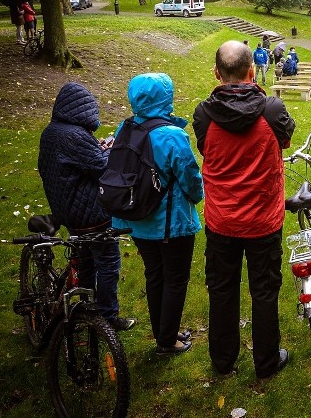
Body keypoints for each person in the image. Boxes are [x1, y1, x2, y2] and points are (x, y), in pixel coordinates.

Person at [193, 40, 296, 380]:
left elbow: (207, 150)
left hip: (222, 220)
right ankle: (265, 362)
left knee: (222, 290)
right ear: (252, 70)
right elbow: (286, 140)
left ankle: (223, 360)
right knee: (264, 291)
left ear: (216, 73)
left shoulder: (204, 114)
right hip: (263, 221)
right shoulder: (272, 110)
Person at [112, 73, 203, 355]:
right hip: (170, 223)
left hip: (137, 219)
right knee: (174, 278)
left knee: (155, 274)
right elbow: (189, 177)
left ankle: (165, 330)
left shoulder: (124, 129)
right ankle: (167, 340)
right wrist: (198, 195)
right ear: (166, 97)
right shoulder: (172, 136)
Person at [38, 82, 135, 332]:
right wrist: (110, 149)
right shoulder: (75, 136)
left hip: (67, 211)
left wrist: (98, 149)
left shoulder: (52, 132)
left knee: (85, 263)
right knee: (107, 264)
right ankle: (106, 317)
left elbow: (80, 163)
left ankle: (84, 310)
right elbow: (103, 170)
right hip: (92, 215)